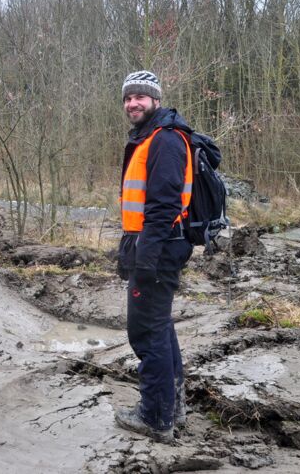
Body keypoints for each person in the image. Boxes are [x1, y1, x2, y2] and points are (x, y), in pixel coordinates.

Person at [114, 70, 194, 443]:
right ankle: (172, 407)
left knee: (146, 333)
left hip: (158, 249)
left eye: (140, 97)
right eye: (129, 98)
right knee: (159, 327)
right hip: (152, 247)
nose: (133, 103)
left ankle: (155, 417)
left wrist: (144, 260)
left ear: (156, 100)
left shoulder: (165, 140)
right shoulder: (152, 137)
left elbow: (163, 207)